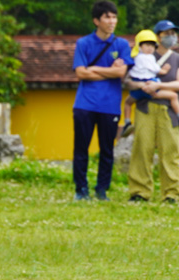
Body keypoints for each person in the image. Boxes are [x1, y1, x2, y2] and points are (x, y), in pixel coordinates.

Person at [71, 1, 131, 201]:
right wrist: (109, 72)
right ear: (96, 21)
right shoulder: (83, 43)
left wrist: (94, 69)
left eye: (114, 17)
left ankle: (102, 190)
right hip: (84, 104)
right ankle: (81, 190)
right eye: (107, 17)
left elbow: (121, 73)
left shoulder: (121, 44)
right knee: (81, 148)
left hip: (110, 105)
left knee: (107, 150)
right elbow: (80, 73)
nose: (112, 21)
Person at [126, 20, 179, 203]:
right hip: (145, 107)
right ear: (157, 37)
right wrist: (142, 85)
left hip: (168, 110)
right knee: (142, 148)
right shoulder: (144, 54)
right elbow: (129, 81)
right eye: (166, 33)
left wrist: (159, 85)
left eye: (173, 32)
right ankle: (140, 191)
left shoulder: (176, 58)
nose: (171, 36)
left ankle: (171, 193)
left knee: (170, 151)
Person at [121, 30, 179, 129]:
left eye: (151, 46)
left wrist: (138, 84)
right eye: (147, 45)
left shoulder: (135, 57)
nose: (149, 48)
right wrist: (164, 71)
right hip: (150, 87)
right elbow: (156, 69)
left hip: (137, 89)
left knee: (127, 102)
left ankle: (127, 122)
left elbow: (128, 75)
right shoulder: (149, 58)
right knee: (173, 96)